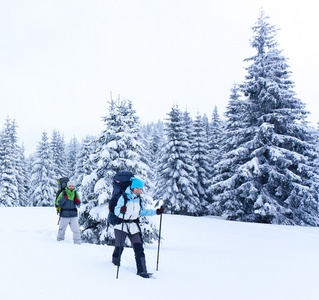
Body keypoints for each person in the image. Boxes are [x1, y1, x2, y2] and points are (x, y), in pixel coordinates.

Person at [112, 177, 164, 278]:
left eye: (140, 189)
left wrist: (156, 211)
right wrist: (121, 210)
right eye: (137, 188)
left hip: (133, 226)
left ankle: (142, 271)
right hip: (121, 225)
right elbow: (116, 211)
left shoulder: (139, 199)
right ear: (132, 187)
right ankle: (114, 265)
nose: (139, 190)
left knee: (138, 247)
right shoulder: (124, 197)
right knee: (119, 246)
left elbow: (142, 212)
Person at [56, 180, 81, 245]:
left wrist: (77, 201)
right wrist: (64, 198)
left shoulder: (75, 193)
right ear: (67, 186)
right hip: (64, 215)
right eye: (70, 186)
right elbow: (58, 202)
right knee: (62, 230)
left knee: (76, 231)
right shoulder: (63, 193)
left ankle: (78, 243)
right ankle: (59, 242)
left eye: (72, 186)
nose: (71, 187)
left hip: (73, 215)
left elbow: (79, 204)